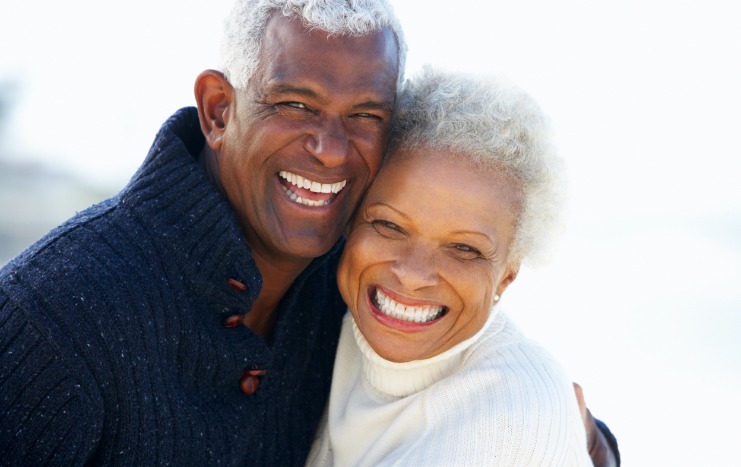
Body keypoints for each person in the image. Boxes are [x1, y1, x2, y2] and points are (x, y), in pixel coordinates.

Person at [0, 0, 617, 465]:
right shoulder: (50, 317)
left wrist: (580, 440)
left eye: (365, 115)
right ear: (219, 109)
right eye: (295, 104)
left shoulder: (354, 278)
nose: (329, 149)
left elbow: (475, 375)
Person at [307, 66, 618, 466]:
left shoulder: (513, 419)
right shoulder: (319, 316)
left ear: (506, 276)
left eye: (464, 249)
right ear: (350, 223)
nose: (413, 274)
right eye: (388, 225)